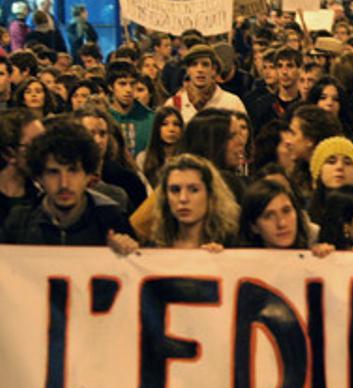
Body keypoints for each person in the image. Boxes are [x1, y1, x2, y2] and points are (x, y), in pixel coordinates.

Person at [1, 120, 137, 253]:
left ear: (89, 175)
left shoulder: (111, 218)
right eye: (53, 172)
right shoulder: (19, 222)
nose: (64, 183)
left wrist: (128, 252)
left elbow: (137, 268)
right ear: (39, 177)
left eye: (73, 171)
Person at [151, 153, 238, 249]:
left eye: (194, 190)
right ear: (165, 196)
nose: (183, 198)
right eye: (175, 190)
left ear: (210, 194)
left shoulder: (233, 245)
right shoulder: (153, 248)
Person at [237, 177, 325, 251]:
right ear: (254, 226)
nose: (281, 223)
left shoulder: (313, 252)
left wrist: (329, 259)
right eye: (269, 216)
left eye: (286, 211)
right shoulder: (238, 264)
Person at [169, 44, 247, 124]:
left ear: (213, 69)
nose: (200, 70)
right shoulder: (175, 104)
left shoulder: (231, 103)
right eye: (194, 64)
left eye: (205, 64)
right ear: (188, 70)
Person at [307, 135, 353, 223]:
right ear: (319, 171)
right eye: (331, 162)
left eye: (347, 162)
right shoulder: (306, 218)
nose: (340, 167)